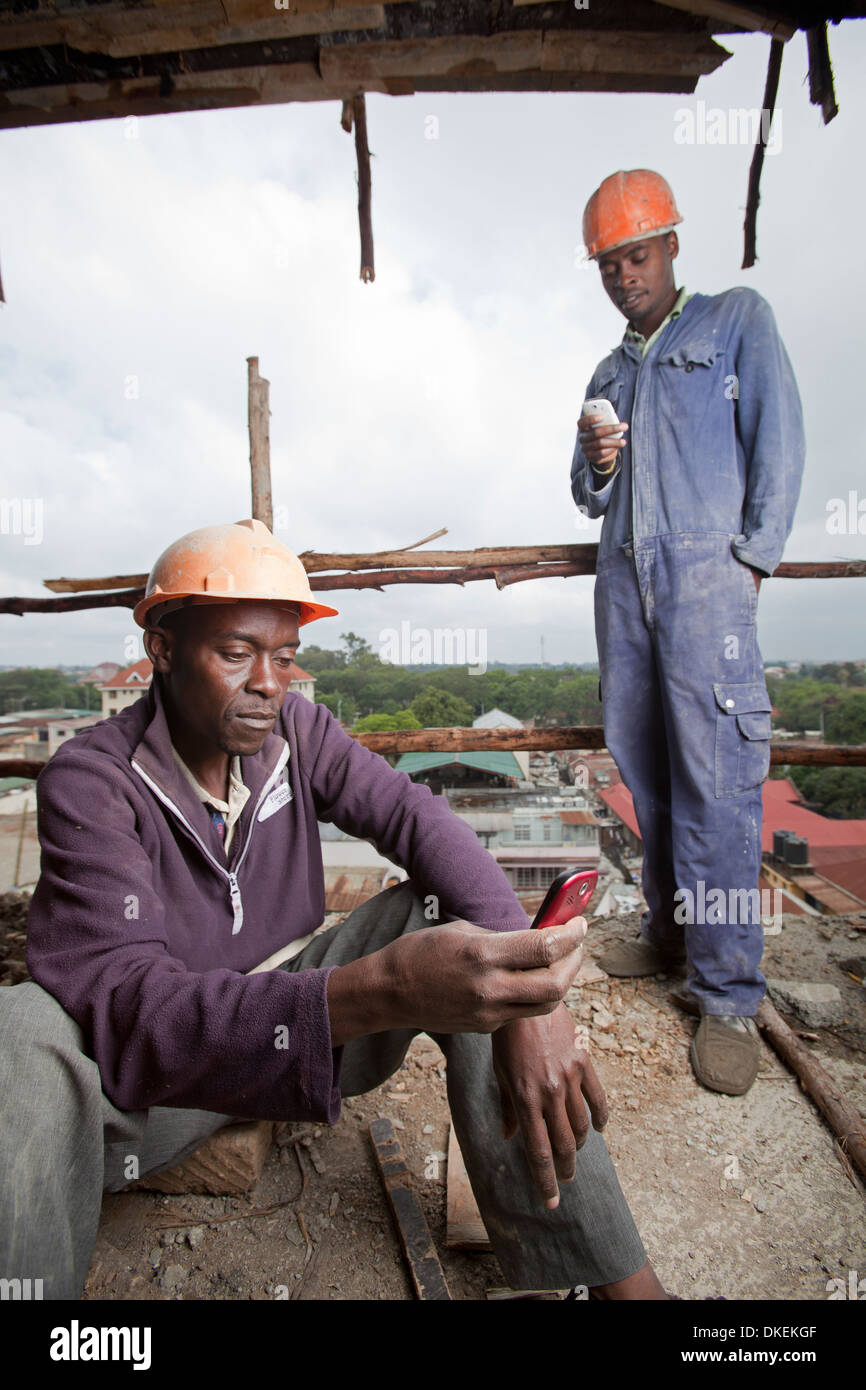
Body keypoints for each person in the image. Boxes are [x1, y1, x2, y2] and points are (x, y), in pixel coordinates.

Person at [0, 518, 669, 1300]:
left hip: (288, 1025)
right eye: (235, 652)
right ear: (163, 649)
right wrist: (382, 990)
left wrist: (536, 996)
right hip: (153, 1090)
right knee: (24, 1030)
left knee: (468, 930)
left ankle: (629, 1293)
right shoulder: (93, 781)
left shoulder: (294, 731)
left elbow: (416, 819)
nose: (268, 682)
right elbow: (137, 1017)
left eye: (284, 657)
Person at [571, 170, 805, 1096]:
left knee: (719, 783)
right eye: (608, 263)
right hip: (624, 587)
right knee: (647, 772)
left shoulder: (735, 321)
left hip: (708, 584)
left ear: (670, 244)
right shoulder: (606, 372)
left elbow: (778, 443)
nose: (624, 274)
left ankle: (729, 995)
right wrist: (593, 462)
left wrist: (751, 562)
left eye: (636, 254)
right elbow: (587, 494)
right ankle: (669, 934)